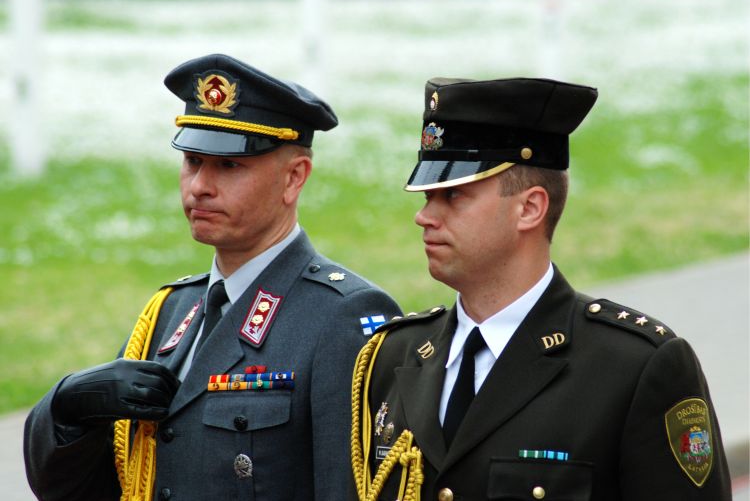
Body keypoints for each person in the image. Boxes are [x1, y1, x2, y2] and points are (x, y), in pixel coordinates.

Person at [24, 53, 401, 501]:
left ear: (293, 178)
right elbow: (83, 490)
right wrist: (67, 411)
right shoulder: (169, 311)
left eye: (229, 166)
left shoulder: (340, 316)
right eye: (192, 161)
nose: (199, 186)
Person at [350, 77, 731, 501]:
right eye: (426, 197)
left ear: (530, 208)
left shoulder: (633, 368)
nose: (424, 216)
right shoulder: (393, 357)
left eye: (453, 195)